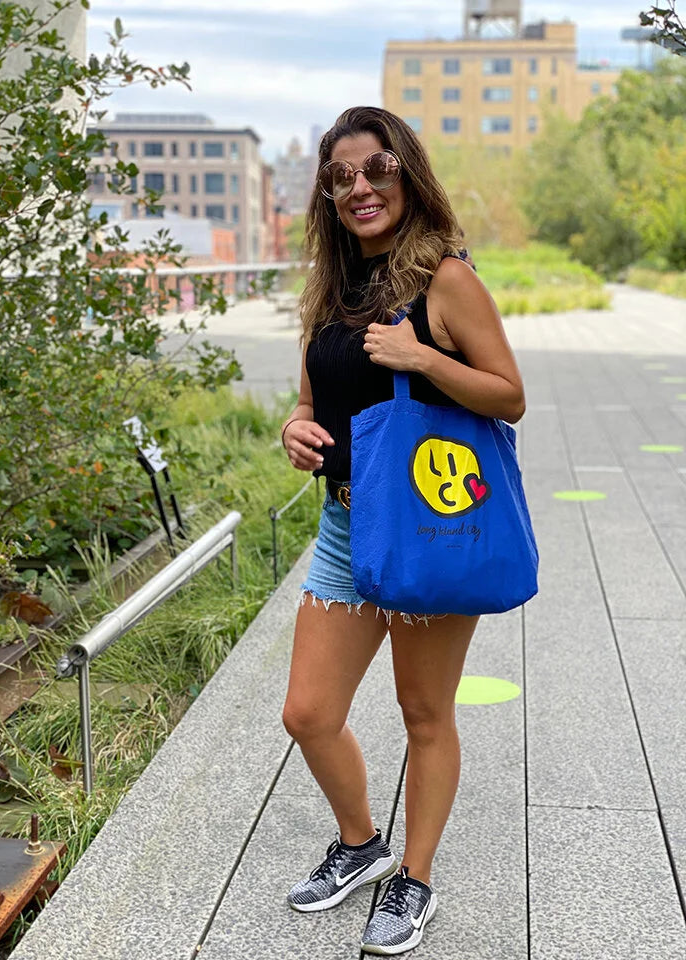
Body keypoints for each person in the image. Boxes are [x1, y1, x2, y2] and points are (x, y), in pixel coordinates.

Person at [280, 106, 525, 956]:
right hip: (348, 525)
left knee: (423, 710)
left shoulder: (445, 280)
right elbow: (315, 402)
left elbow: (508, 394)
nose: (359, 187)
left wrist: (424, 358)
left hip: (429, 521)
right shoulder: (330, 289)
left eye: (375, 168)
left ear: (406, 173)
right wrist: (296, 432)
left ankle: (413, 882)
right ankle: (362, 846)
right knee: (308, 713)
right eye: (340, 177)